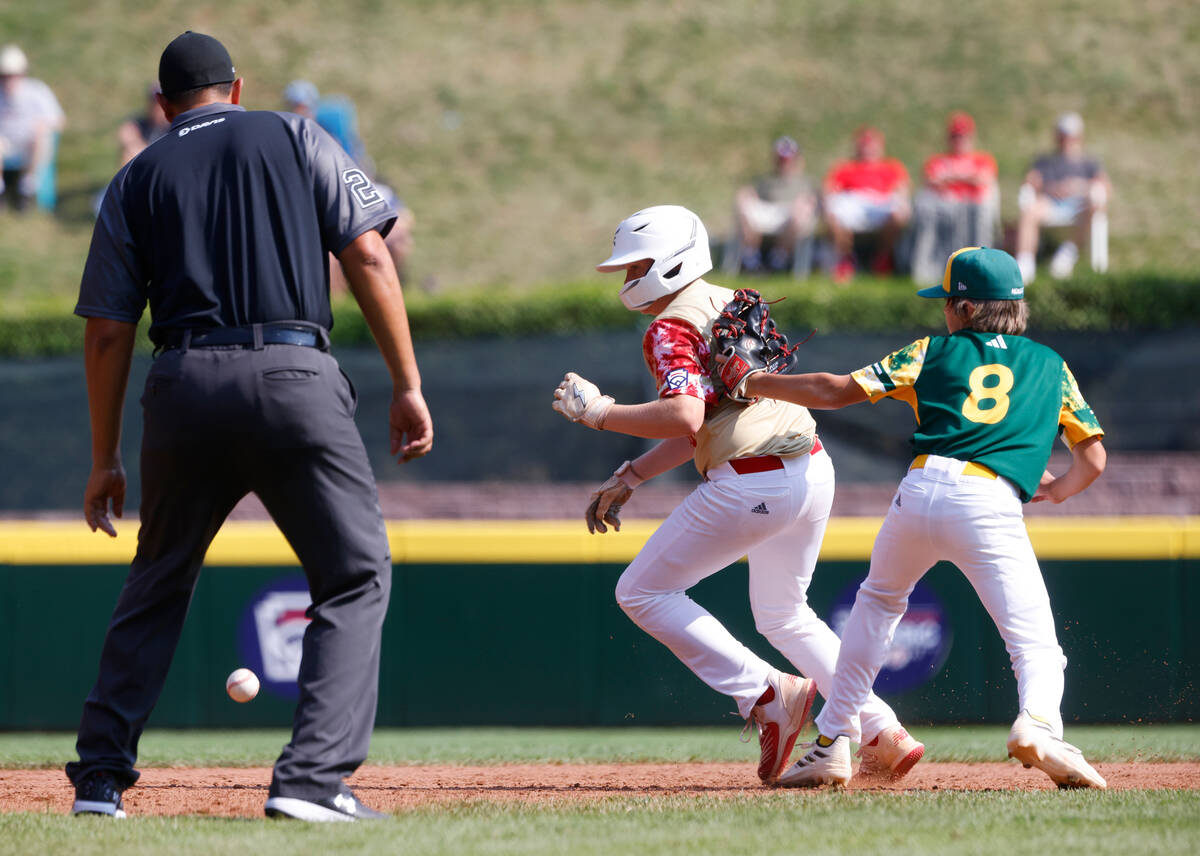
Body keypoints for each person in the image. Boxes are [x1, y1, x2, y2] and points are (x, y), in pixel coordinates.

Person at [67, 31, 433, 822]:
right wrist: (406, 383)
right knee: (354, 573)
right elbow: (368, 256)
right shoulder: (299, 134)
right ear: (237, 89)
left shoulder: (136, 177)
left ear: (163, 107)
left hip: (183, 387)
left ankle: (99, 781)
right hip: (296, 380)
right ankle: (310, 781)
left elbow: (106, 329)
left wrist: (104, 458)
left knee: (158, 579)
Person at [550, 205, 923, 787]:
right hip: (812, 467)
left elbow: (684, 413)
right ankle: (880, 729)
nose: (628, 280)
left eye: (638, 266)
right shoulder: (729, 298)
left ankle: (767, 692)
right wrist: (632, 477)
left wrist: (600, 414)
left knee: (641, 591)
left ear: (671, 262)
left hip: (754, 479)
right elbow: (705, 422)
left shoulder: (670, 324)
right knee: (784, 614)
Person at [724, 247, 1107, 790]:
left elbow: (835, 391)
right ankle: (1038, 725)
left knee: (876, 608)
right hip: (991, 501)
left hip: (922, 488)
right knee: (1034, 645)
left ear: (968, 308)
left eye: (949, 302)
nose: (944, 312)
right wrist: (1054, 490)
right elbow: (1093, 459)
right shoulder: (1051, 366)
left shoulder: (932, 352)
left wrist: (753, 382)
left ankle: (832, 744)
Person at [283, 79, 415, 290]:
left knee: (397, 238)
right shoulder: (292, 141)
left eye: (305, 106)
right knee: (331, 254)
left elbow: (369, 184)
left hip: (351, 199)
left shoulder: (333, 140)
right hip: (322, 214)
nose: (301, 111)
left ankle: (394, 292)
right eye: (296, 106)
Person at [1014, 112, 1111, 284]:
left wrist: (1078, 186)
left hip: (1079, 206)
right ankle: (1025, 265)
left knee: (1095, 204)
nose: (1066, 140)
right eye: (1063, 136)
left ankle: (1068, 253)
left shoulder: (1089, 163)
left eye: (1071, 136)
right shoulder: (1044, 161)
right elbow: (1030, 181)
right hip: (1051, 203)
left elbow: (1105, 188)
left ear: (1079, 137)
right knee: (1029, 211)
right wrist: (1051, 188)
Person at [910, 112, 998, 283]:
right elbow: (931, 180)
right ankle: (927, 267)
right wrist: (965, 178)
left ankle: (980, 264)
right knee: (926, 206)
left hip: (973, 206)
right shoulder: (938, 160)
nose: (959, 141)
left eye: (963, 136)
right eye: (955, 136)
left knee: (977, 210)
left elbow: (984, 179)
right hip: (942, 207)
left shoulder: (982, 159)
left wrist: (950, 178)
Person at [822, 126, 910, 282]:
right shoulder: (846, 168)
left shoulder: (891, 167)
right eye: (864, 145)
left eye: (871, 145)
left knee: (898, 213)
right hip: (854, 202)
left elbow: (902, 189)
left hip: (880, 203)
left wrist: (901, 201)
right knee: (834, 212)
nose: (867, 149)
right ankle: (845, 257)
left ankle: (883, 257)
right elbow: (830, 188)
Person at [726, 136, 817, 276]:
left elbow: (812, 201)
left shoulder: (805, 182)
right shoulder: (766, 181)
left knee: (800, 211)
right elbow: (751, 195)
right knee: (745, 203)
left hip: (791, 214)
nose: (784, 163)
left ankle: (777, 260)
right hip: (768, 212)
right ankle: (751, 259)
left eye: (788, 159)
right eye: (781, 159)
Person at [0, 43, 65, 212]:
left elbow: (59, 120)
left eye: (13, 75)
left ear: (22, 73)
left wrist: (42, 125)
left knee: (41, 137)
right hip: (5, 145)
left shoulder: (36, 91)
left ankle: (27, 189)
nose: (9, 79)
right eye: (5, 75)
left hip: (30, 145)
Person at [116, 83, 170, 167]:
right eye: (154, 102)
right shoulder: (139, 123)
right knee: (128, 153)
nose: (157, 107)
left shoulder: (174, 124)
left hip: (165, 168)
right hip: (146, 167)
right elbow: (126, 133)